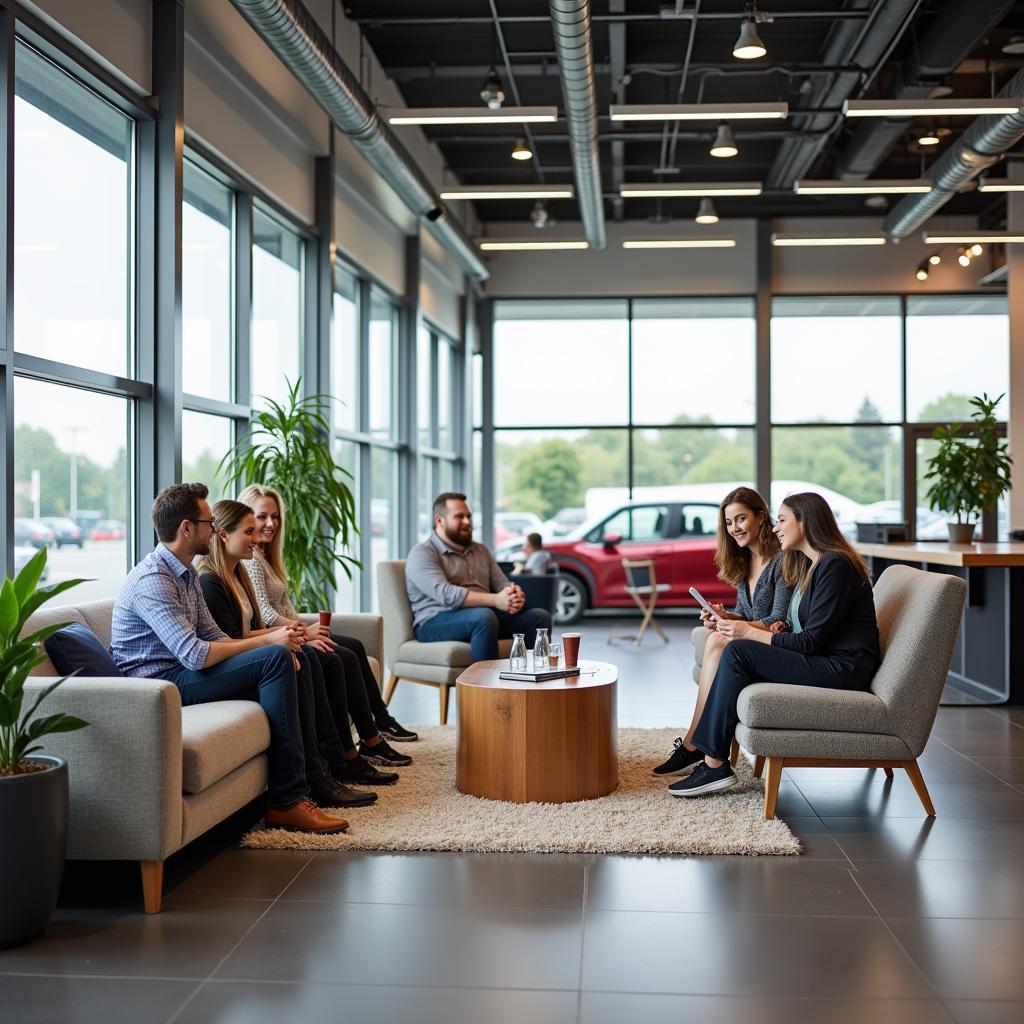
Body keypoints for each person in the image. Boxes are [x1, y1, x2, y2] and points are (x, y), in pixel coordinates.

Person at [110, 483, 347, 835]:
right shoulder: (153, 581)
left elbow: (217, 638)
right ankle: (286, 800)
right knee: (275, 658)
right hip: (160, 686)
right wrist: (270, 645)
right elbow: (195, 654)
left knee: (289, 656)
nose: (215, 530)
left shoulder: (185, 572)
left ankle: (313, 781)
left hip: (183, 672)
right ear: (186, 528)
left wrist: (274, 643)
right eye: (208, 522)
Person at [669, 491, 881, 798]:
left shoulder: (835, 565)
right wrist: (765, 627)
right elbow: (808, 629)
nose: (775, 527)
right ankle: (710, 758)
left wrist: (748, 632)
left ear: (804, 522)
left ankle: (712, 762)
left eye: (781, 520)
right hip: (828, 659)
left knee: (739, 650)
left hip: (844, 669)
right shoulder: (817, 564)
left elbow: (810, 642)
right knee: (735, 649)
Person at [196, 499, 389, 809]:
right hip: (230, 666)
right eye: (249, 532)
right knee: (309, 656)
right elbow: (230, 642)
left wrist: (292, 634)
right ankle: (322, 772)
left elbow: (250, 630)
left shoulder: (238, 576)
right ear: (223, 535)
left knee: (321, 654)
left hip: (246, 654)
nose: (257, 538)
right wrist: (286, 637)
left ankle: (332, 764)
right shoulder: (209, 582)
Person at [237, 483, 416, 759]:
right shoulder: (251, 560)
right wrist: (304, 632)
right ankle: (369, 740)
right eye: (262, 517)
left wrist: (305, 628)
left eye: (275, 517)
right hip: (282, 635)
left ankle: (379, 722)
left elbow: (281, 607)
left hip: (291, 630)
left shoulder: (265, 556)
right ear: (246, 519)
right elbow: (266, 614)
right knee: (341, 655)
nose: (270, 523)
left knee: (354, 646)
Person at [653, 487, 792, 779]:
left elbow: (778, 619)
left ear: (761, 517)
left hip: (775, 644)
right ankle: (695, 744)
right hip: (754, 636)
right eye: (729, 523)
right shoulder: (744, 561)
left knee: (716, 640)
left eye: (740, 519)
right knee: (715, 637)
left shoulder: (781, 560)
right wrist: (725, 616)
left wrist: (733, 626)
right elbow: (748, 612)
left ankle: (694, 744)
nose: (734, 529)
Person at [406, 492, 552, 662]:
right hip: (434, 621)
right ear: (439, 520)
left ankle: (530, 682)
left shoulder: (480, 550)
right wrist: (496, 601)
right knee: (483, 617)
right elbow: (446, 594)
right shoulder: (422, 553)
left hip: (483, 617)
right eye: (459, 517)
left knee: (539, 617)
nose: (467, 522)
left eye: (468, 516)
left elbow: (501, 583)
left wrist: (512, 594)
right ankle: (483, 688)